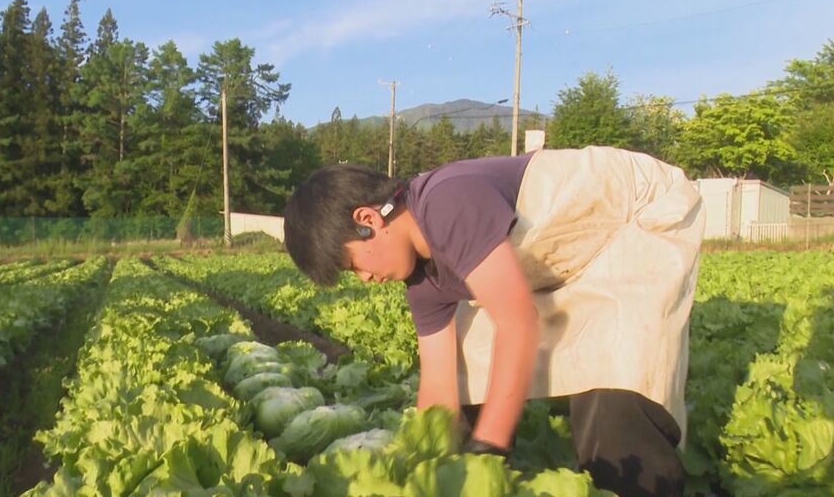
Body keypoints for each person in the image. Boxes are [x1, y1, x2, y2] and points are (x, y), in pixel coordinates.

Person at [283, 145, 705, 497]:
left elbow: (518, 322)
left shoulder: (446, 202)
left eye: (353, 266)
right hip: (567, 259)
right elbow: (438, 383)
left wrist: (488, 449)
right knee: (472, 358)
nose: (365, 279)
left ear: (368, 222)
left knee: (617, 380)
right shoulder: (423, 282)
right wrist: (426, 465)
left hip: (634, 218)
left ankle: (633, 484)